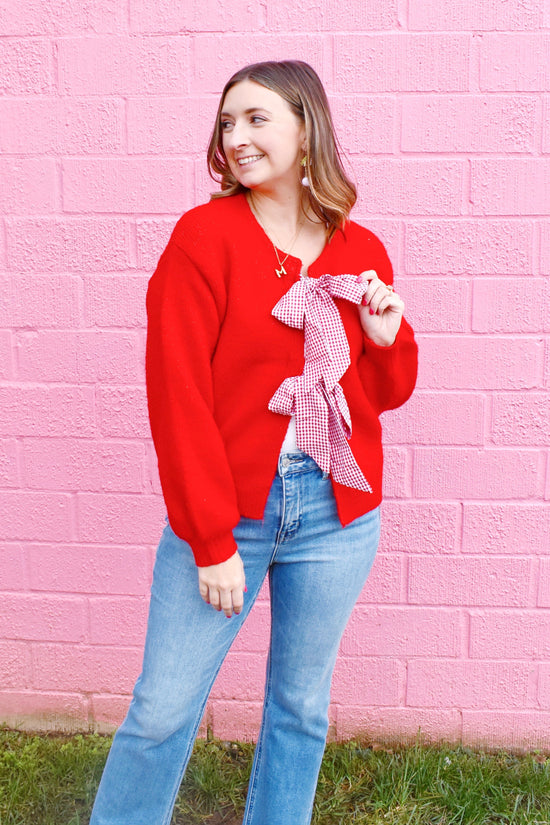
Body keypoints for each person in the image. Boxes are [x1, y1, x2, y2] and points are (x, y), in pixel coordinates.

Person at [89, 60, 418, 825]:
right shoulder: (203, 240)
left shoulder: (360, 248)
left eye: (257, 118)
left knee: (301, 707)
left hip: (337, 513)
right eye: (227, 122)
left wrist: (386, 339)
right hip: (227, 510)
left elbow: (383, 394)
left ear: (307, 129)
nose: (236, 136)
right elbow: (178, 398)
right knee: (163, 708)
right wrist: (210, 540)